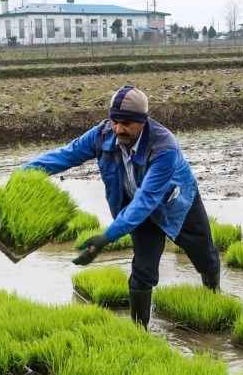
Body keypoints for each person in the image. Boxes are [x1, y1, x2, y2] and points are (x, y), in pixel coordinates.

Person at [22, 85, 221, 331]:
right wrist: (23, 174)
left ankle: (214, 297)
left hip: (176, 204)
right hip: (135, 210)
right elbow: (64, 156)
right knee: (142, 270)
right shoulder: (102, 135)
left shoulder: (164, 148)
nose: (118, 129)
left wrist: (106, 237)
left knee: (204, 255)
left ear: (143, 121)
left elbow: (146, 201)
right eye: (114, 121)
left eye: (126, 123)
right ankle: (139, 332)